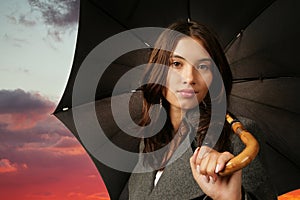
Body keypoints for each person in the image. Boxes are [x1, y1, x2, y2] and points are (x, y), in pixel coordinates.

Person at [125, 20, 277, 199]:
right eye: (176, 64)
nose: (189, 78)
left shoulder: (235, 137)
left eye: (203, 66)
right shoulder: (148, 143)